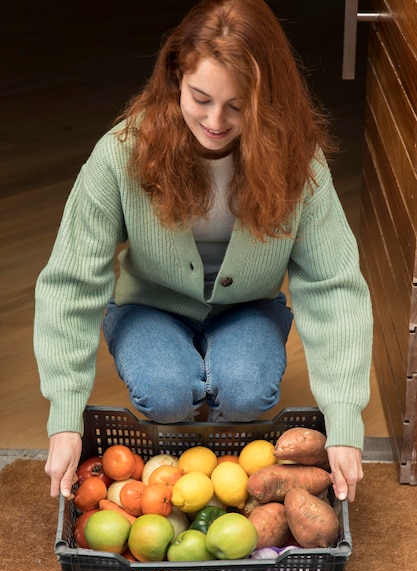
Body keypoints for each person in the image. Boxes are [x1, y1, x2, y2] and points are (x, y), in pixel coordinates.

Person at [34, 0, 373, 504]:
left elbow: (333, 286)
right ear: (175, 77)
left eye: (237, 105)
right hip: (149, 306)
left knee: (247, 393)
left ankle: (218, 462)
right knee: (166, 394)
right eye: (200, 98)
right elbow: (71, 282)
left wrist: (344, 420)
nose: (216, 121)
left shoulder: (299, 161)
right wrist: (64, 414)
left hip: (248, 308)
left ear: (267, 99)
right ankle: (187, 418)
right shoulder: (120, 152)